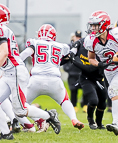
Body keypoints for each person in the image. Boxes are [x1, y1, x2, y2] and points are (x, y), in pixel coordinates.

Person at [0, 4, 61, 139]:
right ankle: (5, 134)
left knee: (20, 111)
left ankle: (49, 115)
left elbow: (4, 52)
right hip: (9, 71)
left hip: (15, 71)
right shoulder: (4, 29)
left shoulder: (1, 29)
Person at [19, 24, 84, 132]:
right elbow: (68, 56)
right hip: (55, 79)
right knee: (65, 101)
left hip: (36, 79)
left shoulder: (34, 42)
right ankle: (74, 119)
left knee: (21, 105)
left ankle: (35, 120)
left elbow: (24, 55)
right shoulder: (61, 46)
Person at [62, 37, 108, 130]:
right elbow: (72, 51)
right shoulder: (81, 43)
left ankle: (99, 123)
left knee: (102, 102)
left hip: (99, 78)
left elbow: (89, 69)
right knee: (93, 101)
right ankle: (90, 119)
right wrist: (70, 55)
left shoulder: (101, 51)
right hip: (86, 78)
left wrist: (74, 61)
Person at [63, 31, 84, 113]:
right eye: (76, 36)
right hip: (72, 73)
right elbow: (65, 58)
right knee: (73, 90)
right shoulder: (69, 46)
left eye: (79, 37)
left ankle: (85, 105)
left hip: (81, 72)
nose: (78, 38)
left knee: (85, 89)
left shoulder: (83, 46)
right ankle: (74, 105)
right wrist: (67, 68)